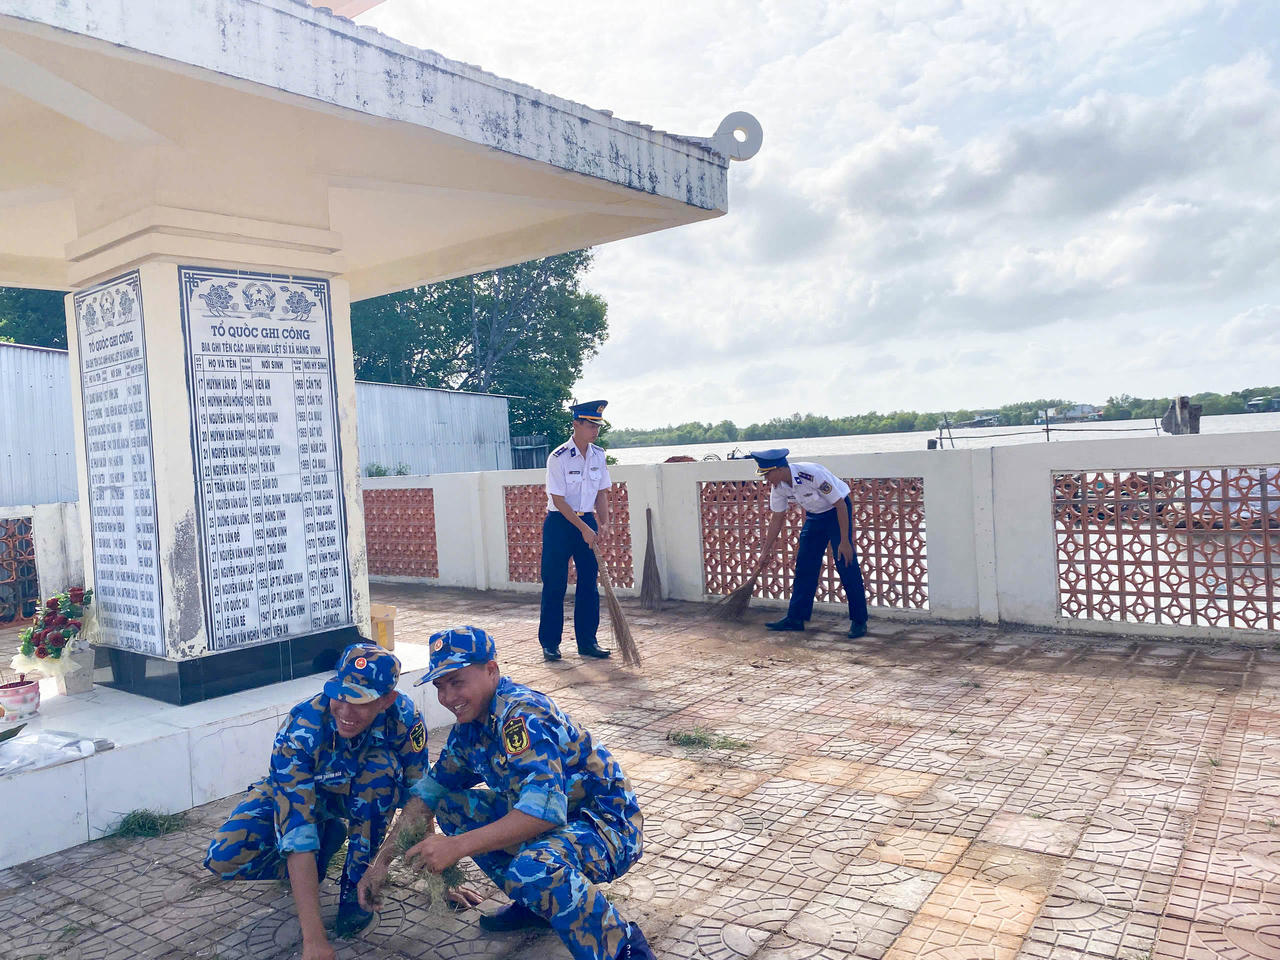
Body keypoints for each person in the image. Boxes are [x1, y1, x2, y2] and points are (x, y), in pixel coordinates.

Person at [357, 625, 654, 960]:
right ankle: (537, 906)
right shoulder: (470, 728)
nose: (448, 697)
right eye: (441, 686)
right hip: (560, 822)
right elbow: (428, 796)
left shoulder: (522, 716)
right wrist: (379, 864)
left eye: (458, 682)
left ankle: (625, 950)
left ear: (491, 671)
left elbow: (542, 813)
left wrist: (455, 846)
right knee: (453, 807)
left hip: (607, 826)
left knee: (534, 868)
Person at [204, 643, 479, 960]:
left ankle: (357, 883)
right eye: (341, 695)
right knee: (224, 855)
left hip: (364, 797)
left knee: (379, 773)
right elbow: (296, 831)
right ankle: (322, 848)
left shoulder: (404, 719)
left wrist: (438, 877)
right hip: (305, 795)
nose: (346, 712)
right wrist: (314, 941)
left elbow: (421, 799)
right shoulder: (301, 728)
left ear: (386, 700)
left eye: (361, 702)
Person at [746, 448, 870, 639]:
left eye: (767, 474)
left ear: (779, 469)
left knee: (846, 564)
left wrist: (845, 541)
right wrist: (765, 551)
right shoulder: (778, 487)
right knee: (804, 565)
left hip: (837, 513)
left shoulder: (811, 474)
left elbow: (840, 504)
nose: (766, 479)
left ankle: (859, 621)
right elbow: (777, 518)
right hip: (815, 517)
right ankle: (795, 619)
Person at [538, 399, 613, 661]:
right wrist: (582, 527)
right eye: (590, 425)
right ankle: (550, 643)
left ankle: (587, 642)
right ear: (576, 424)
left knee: (589, 584)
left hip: (587, 523)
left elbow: (601, 492)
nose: (595, 430)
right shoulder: (558, 457)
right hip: (560, 524)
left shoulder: (599, 455)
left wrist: (603, 523)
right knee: (555, 584)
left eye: (597, 426)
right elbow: (558, 499)